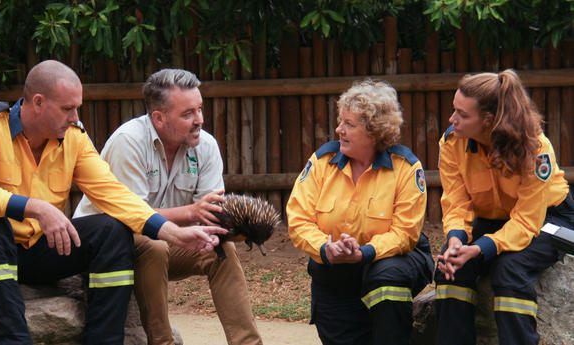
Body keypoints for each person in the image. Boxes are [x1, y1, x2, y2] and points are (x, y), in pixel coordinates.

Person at [0, 60, 227, 345]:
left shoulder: (74, 138)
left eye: (77, 108)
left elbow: (114, 195)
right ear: (38, 102)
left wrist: (173, 233)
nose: (76, 117)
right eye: (68, 108)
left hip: (33, 251)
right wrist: (37, 207)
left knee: (112, 230)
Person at [73, 68, 262, 345]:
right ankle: (162, 342)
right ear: (158, 118)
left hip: (169, 241)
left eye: (199, 109)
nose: (199, 120)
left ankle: (248, 343)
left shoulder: (206, 146)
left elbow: (208, 215)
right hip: (111, 247)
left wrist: (235, 228)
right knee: (154, 246)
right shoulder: (129, 142)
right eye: (188, 114)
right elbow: (130, 217)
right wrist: (191, 213)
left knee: (222, 250)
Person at [286, 80, 434, 345]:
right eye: (341, 121)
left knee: (386, 276)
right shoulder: (321, 163)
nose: (338, 129)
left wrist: (364, 254)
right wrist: (325, 249)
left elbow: (405, 233)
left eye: (349, 124)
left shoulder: (406, 168)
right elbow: (298, 220)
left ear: (374, 132)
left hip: (391, 262)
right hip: (334, 268)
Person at [434, 69, 574, 345]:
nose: (452, 119)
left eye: (462, 114)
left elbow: (525, 222)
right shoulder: (452, 143)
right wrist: (455, 240)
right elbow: (456, 202)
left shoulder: (535, 148)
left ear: (488, 120)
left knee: (509, 269)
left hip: (548, 218)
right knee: (450, 267)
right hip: (493, 219)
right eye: (454, 110)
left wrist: (479, 249)